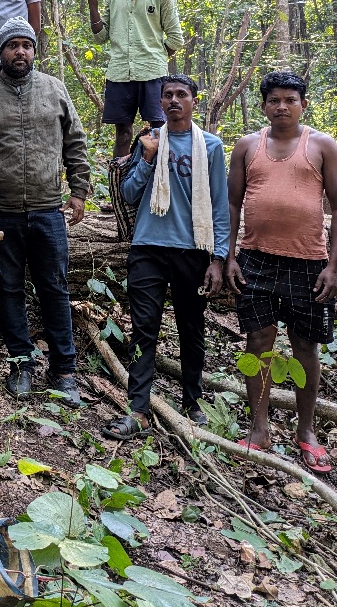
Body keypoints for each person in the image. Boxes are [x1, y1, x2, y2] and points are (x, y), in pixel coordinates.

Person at [0, 18, 91, 407]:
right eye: (12, 46)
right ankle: (21, 364)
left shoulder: (54, 89)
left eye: (26, 45)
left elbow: (76, 143)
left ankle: (64, 371)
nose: (20, 52)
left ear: (34, 50)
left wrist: (79, 192)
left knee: (55, 287)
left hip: (48, 208)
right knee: (9, 288)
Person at [225, 71, 337, 472]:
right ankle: (258, 427)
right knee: (258, 340)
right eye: (274, 100)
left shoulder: (322, 145)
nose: (282, 107)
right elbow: (231, 204)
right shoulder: (248, 146)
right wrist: (228, 256)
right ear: (264, 106)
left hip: (309, 261)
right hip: (256, 258)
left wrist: (333, 264)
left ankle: (306, 430)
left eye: (290, 100)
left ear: (303, 104)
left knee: (305, 346)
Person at [104, 74, 230, 439]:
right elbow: (127, 195)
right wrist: (146, 158)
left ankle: (192, 402)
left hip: (193, 251)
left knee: (192, 329)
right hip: (148, 248)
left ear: (193, 101)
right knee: (144, 330)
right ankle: (138, 410)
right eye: (168, 95)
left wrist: (218, 258)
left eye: (182, 95)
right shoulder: (149, 141)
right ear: (160, 103)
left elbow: (220, 204)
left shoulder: (210, 146)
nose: (174, 100)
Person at [85, 0, 184, 159]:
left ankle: (159, 185)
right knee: (123, 133)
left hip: (153, 74)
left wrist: (157, 57)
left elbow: (175, 38)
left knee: (159, 130)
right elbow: (101, 37)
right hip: (119, 74)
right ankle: (120, 188)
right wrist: (93, 3)